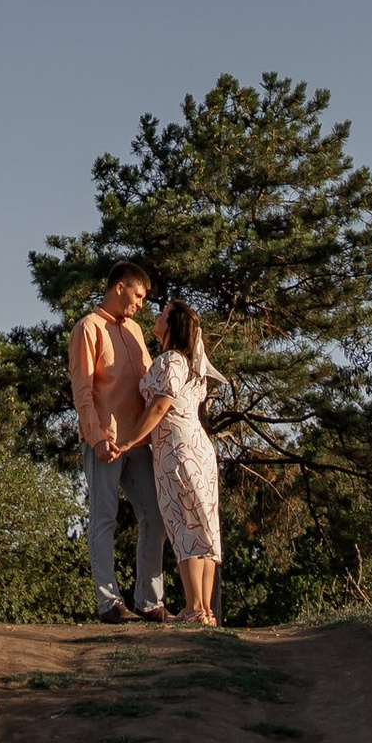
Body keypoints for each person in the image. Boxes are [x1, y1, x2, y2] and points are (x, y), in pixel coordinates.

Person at [108, 294, 224, 626]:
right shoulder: (193, 366)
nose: (156, 316)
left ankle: (193, 608)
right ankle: (203, 609)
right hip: (198, 446)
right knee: (201, 526)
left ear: (172, 325)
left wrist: (130, 439)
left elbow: (160, 405)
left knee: (184, 525)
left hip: (176, 448)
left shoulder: (171, 361)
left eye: (163, 313)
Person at [68, 263, 167, 623]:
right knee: (104, 520)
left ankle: (150, 601)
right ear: (121, 287)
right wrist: (95, 438)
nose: (142, 304)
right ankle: (109, 603)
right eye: (139, 296)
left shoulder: (137, 332)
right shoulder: (87, 329)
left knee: (155, 515)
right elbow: (82, 392)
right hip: (104, 442)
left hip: (137, 443)